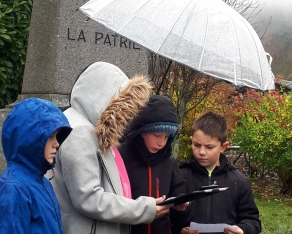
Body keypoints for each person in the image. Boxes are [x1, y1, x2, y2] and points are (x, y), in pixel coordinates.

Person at [49, 61, 172, 234]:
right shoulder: (80, 131)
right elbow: (89, 198)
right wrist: (145, 208)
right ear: (104, 98)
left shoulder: (90, 129)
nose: (126, 116)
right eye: (122, 105)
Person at [172, 112, 261, 234]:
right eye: (197, 145)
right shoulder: (179, 175)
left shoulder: (238, 181)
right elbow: (167, 217)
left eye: (209, 147)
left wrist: (243, 230)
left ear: (223, 147)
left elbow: (252, 220)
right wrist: (179, 230)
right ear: (191, 141)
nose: (202, 152)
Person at [119, 94, 191, 234]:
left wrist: (183, 208)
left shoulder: (169, 162)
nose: (162, 143)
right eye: (157, 135)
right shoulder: (120, 157)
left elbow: (179, 208)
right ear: (141, 131)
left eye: (166, 137)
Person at [0, 98, 72, 234]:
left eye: (57, 136)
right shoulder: (13, 188)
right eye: (50, 136)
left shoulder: (42, 181)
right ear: (29, 140)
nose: (56, 143)